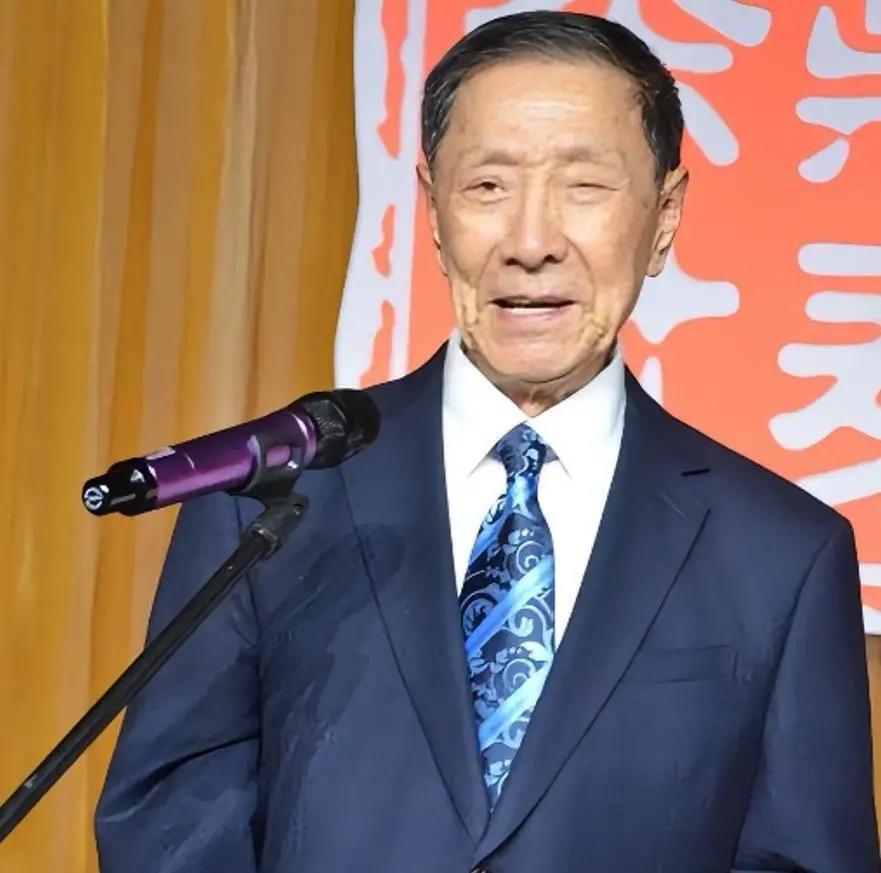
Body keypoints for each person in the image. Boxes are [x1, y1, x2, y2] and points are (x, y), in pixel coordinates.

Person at [95, 11, 878, 872]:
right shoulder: (270, 497)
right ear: (433, 212)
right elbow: (167, 825)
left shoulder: (781, 554)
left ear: (663, 214)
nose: (531, 243)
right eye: (487, 186)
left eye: (584, 186)